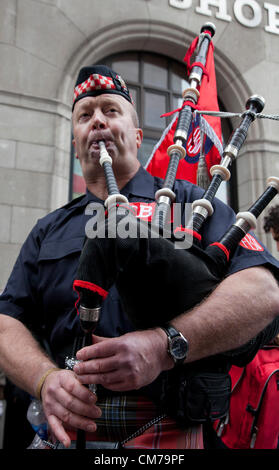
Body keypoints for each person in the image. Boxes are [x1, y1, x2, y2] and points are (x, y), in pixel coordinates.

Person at [0, 65, 279, 450]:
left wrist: (165, 346)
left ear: (137, 135)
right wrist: (44, 378)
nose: (97, 120)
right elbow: (6, 322)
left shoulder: (190, 205)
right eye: (85, 116)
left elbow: (264, 292)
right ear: (74, 141)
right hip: (67, 429)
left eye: (110, 111)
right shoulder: (48, 230)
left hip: (172, 427)